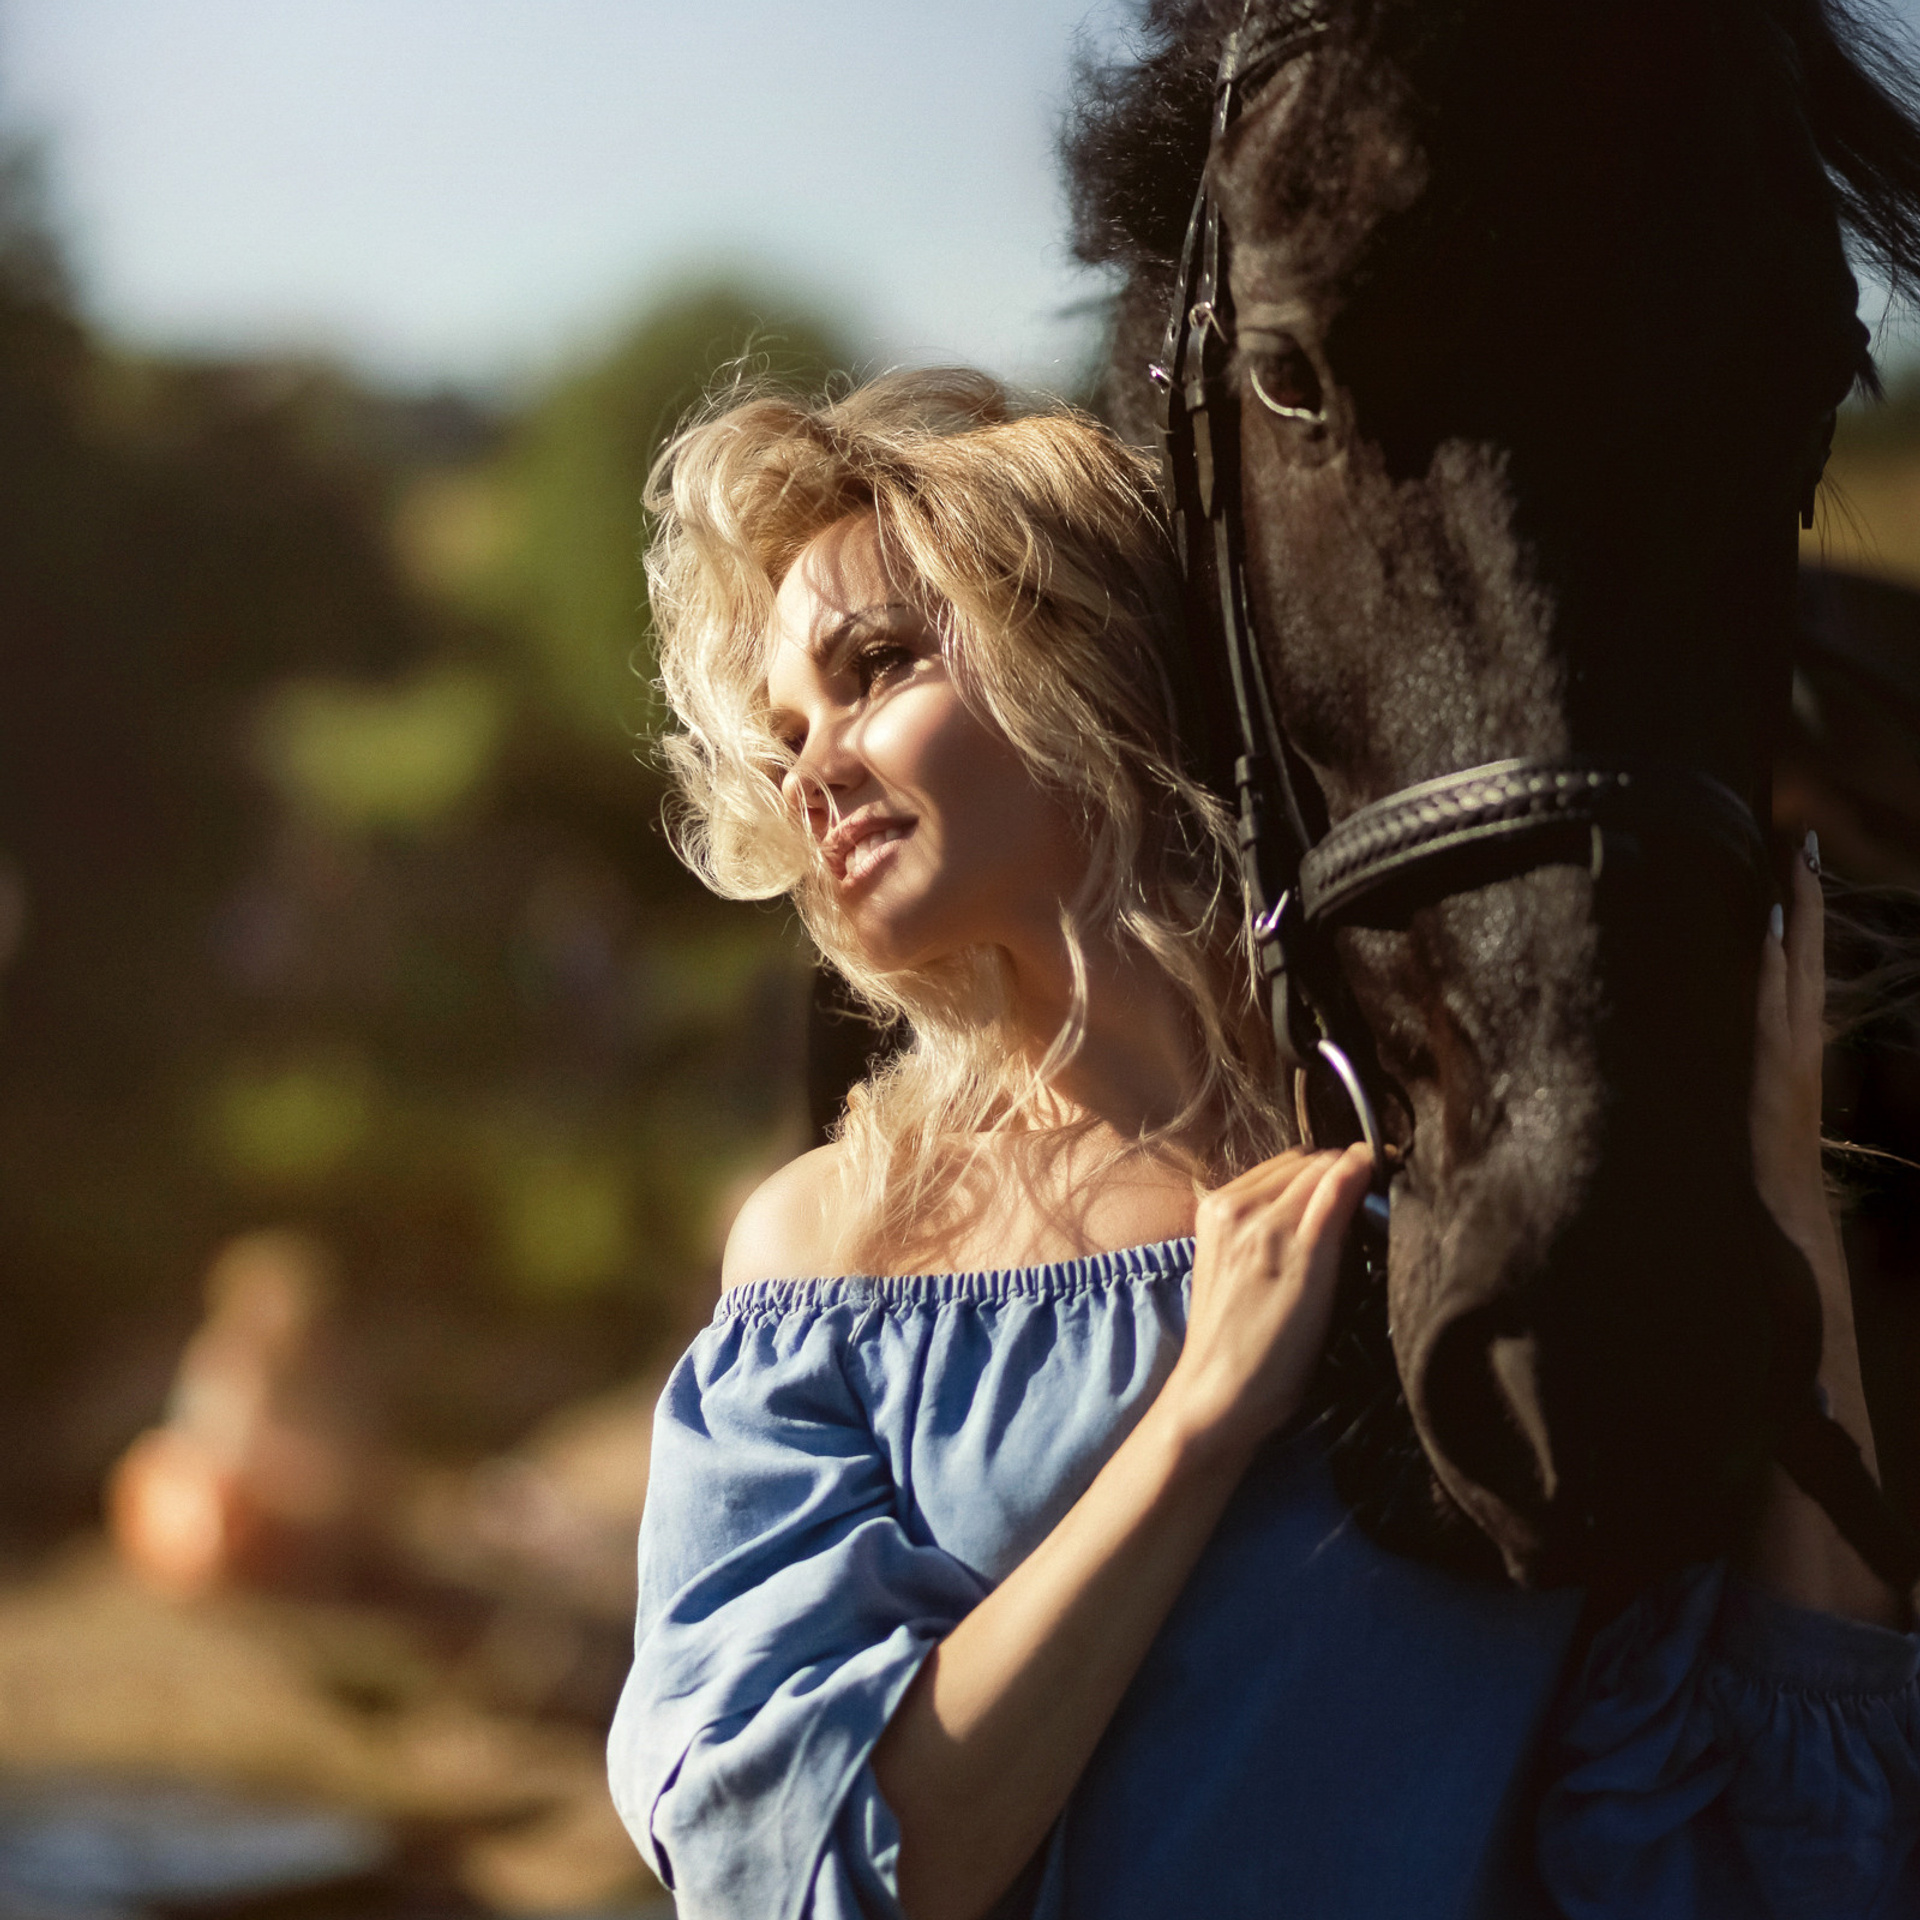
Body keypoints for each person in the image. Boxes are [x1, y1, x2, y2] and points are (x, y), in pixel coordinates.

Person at [608, 368, 1919, 1920]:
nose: (811, 767)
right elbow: (795, 1877)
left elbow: (1775, 1840)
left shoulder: (1469, 1188)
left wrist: (1791, 1237)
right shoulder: (830, 1251)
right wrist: (1196, 1426)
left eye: (876, 666)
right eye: (782, 732)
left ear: (1084, 646)